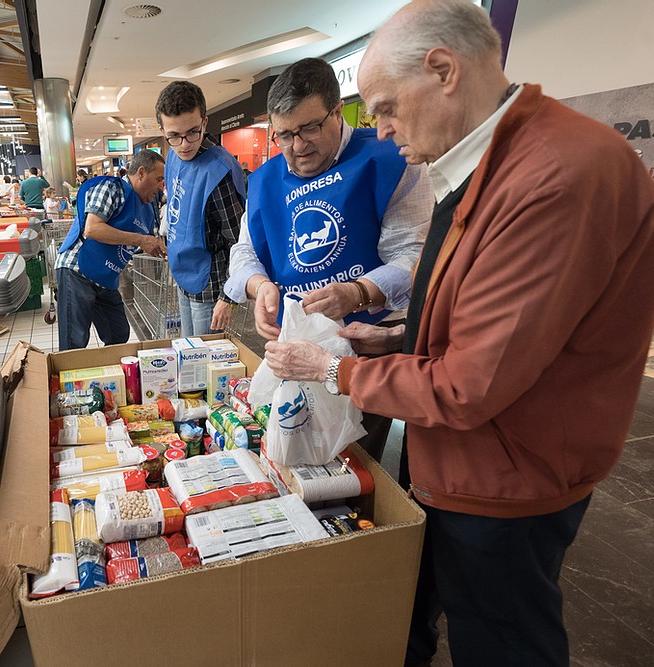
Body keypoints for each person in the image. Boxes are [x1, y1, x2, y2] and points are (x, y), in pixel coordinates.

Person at [262, 2, 654, 665]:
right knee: (420, 609)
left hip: (507, 478)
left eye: (384, 108)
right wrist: (386, 340)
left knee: (500, 638)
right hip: (461, 459)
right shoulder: (484, 160)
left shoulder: (553, 176)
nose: (381, 132)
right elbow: (469, 316)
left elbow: (471, 383)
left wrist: (331, 370)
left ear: (443, 70)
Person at [224, 56, 433, 462]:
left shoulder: (389, 159)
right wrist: (259, 285)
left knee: (355, 460)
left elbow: (413, 254)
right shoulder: (266, 180)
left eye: (310, 128)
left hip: (367, 342)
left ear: (338, 111)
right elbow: (245, 250)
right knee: (293, 448)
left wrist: (359, 292)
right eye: (283, 135)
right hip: (295, 343)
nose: (296, 147)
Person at [156, 80, 246, 337]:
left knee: (203, 357)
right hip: (183, 271)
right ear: (162, 130)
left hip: (210, 281)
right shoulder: (173, 156)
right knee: (186, 348)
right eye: (174, 135)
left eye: (193, 132)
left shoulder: (220, 171)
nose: (184, 144)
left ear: (205, 123)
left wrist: (228, 297)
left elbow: (238, 240)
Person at [54, 149, 166, 351]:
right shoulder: (111, 188)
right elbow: (92, 228)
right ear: (141, 173)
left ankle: (109, 379)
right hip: (77, 268)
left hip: (106, 276)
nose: (161, 186)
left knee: (118, 333)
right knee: (74, 342)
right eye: (158, 179)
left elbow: (138, 242)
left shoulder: (148, 209)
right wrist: (142, 239)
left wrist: (154, 245)